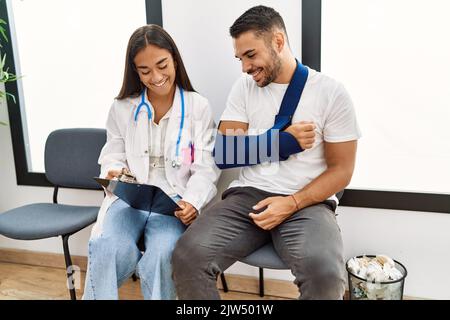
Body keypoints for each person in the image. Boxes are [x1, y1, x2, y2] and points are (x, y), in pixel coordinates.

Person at [172, 5, 361, 300]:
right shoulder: (243, 89)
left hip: (307, 202)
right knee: (187, 255)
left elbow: (342, 171)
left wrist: (292, 203)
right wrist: (279, 143)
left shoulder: (331, 93)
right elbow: (226, 153)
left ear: (278, 42)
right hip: (248, 196)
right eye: (240, 58)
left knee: (325, 273)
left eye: (250, 55)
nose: (245, 67)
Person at [83, 24, 220, 300]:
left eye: (162, 65)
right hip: (130, 198)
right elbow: (112, 152)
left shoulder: (197, 107)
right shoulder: (122, 107)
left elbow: (206, 165)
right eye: (145, 71)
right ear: (135, 71)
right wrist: (114, 170)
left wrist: (193, 201)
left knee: (163, 254)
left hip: (172, 202)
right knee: (104, 246)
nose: (156, 77)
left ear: (174, 59)